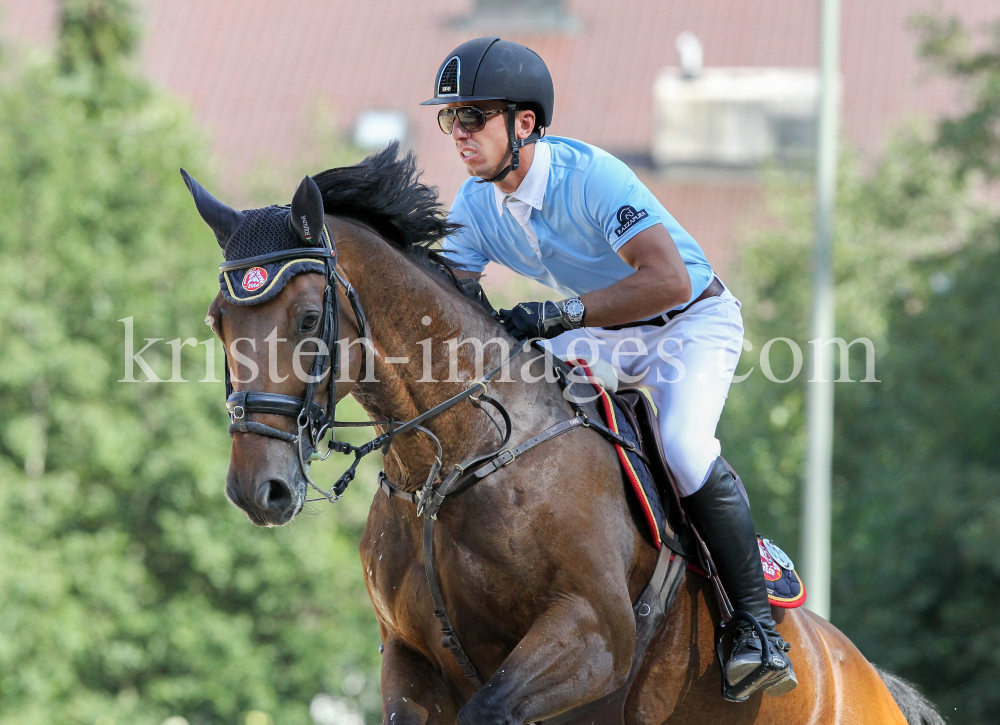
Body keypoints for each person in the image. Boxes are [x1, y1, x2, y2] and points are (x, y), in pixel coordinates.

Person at [421, 37, 796, 698]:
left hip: (688, 322)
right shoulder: (477, 203)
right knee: (523, 407)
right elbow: (446, 292)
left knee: (682, 445)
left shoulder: (590, 177)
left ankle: (756, 625)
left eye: (473, 117)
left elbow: (668, 280)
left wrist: (562, 312)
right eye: (451, 119)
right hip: (603, 332)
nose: (459, 134)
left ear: (525, 123)